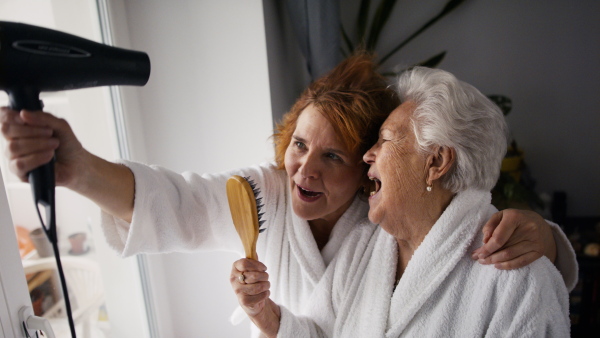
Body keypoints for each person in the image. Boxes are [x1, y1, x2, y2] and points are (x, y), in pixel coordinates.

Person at [1, 54, 573, 335]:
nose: (303, 168)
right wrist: (76, 168)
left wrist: (547, 238)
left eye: (336, 156)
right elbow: (179, 202)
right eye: (299, 144)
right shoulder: (268, 195)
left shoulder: (379, 229)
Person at [231, 66, 573, 337]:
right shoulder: (363, 248)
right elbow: (319, 334)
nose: (367, 155)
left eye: (385, 139)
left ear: (436, 162)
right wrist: (267, 316)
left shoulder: (520, 279)